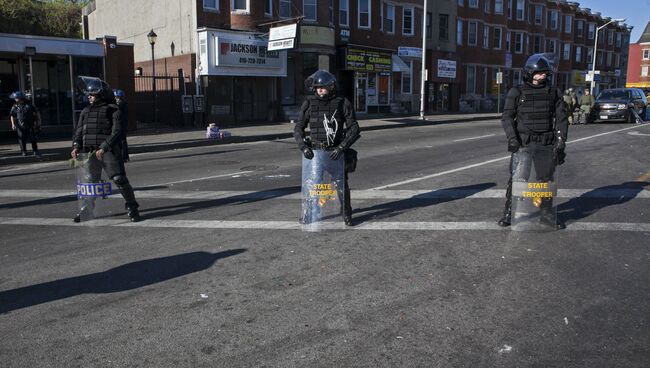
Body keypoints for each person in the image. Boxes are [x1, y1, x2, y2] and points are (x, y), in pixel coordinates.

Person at [498, 54, 568, 229]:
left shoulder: (554, 93)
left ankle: (546, 214)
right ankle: (509, 213)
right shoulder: (517, 92)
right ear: (529, 73)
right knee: (517, 179)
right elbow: (507, 117)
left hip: (545, 142)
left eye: (545, 73)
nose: (543, 76)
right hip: (524, 143)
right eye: (539, 73)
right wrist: (512, 138)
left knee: (546, 181)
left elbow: (561, 119)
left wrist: (561, 142)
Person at [294, 70, 360, 226]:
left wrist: (342, 147)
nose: (319, 90)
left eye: (322, 87)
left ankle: (346, 214)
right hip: (316, 153)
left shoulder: (342, 102)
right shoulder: (309, 103)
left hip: (335, 152)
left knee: (341, 185)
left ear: (331, 86)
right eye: (317, 88)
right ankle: (309, 214)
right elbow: (298, 128)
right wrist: (303, 147)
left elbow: (354, 128)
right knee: (313, 185)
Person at [72, 77, 140, 223]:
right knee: (91, 182)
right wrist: (76, 145)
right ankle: (87, 210)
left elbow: (118, 132)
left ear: (100, 95)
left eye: (92, 94)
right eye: (88, 94)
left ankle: (132, 207)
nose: (88, 96)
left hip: (108, 151)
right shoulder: (85, 111)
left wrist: (104, 147)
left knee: (119, 179)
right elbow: (79, 130)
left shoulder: (113, 109)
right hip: (89, 151)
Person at [9, 91, 41, 156]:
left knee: (33, 138)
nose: (15, 99)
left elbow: (37, 112)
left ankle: (35, 150)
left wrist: (39, 121)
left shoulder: (29, 105)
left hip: (30, 124)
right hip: (20, 124)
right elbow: (12, 116)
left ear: (20, 98)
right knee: (21, 139)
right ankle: (23, 151)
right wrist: (13, 124)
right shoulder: (15, 106)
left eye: (16, 98)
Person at [114, 89, 130, 162]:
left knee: (122, 141)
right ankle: (125, 156)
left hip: (121, 125)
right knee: (122, 141)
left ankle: (124, 157)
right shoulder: (123, 103)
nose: (115, 98)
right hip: (123, 124)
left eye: (116, 97)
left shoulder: (121, 103)